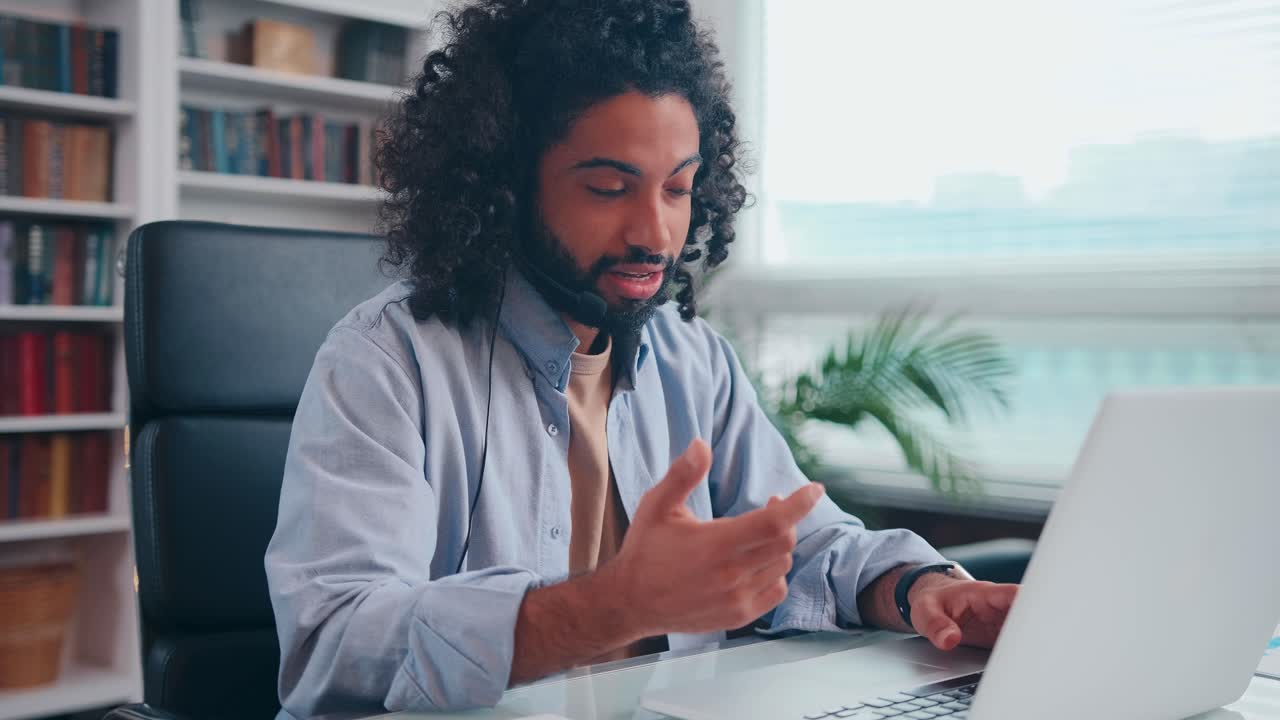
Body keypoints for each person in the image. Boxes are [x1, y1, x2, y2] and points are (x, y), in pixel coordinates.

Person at [264, 1, 1019, 717]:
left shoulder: (693, 361)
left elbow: (803, 547)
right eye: (606, 187)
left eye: (679, 188)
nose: (655, 233)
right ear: (505, 184)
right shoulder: (385, 362)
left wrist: (918, 587)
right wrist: (614, 605)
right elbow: (333, 644)